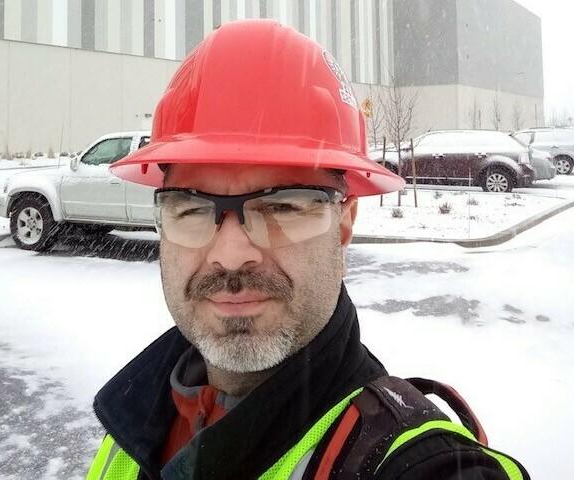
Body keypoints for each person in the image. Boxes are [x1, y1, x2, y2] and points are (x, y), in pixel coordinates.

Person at [87, 20, 528, 480]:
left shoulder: (415, 467)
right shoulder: (135, 420)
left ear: (344, 223)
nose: (232, 254)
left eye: (281, 206)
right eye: (192, 209)